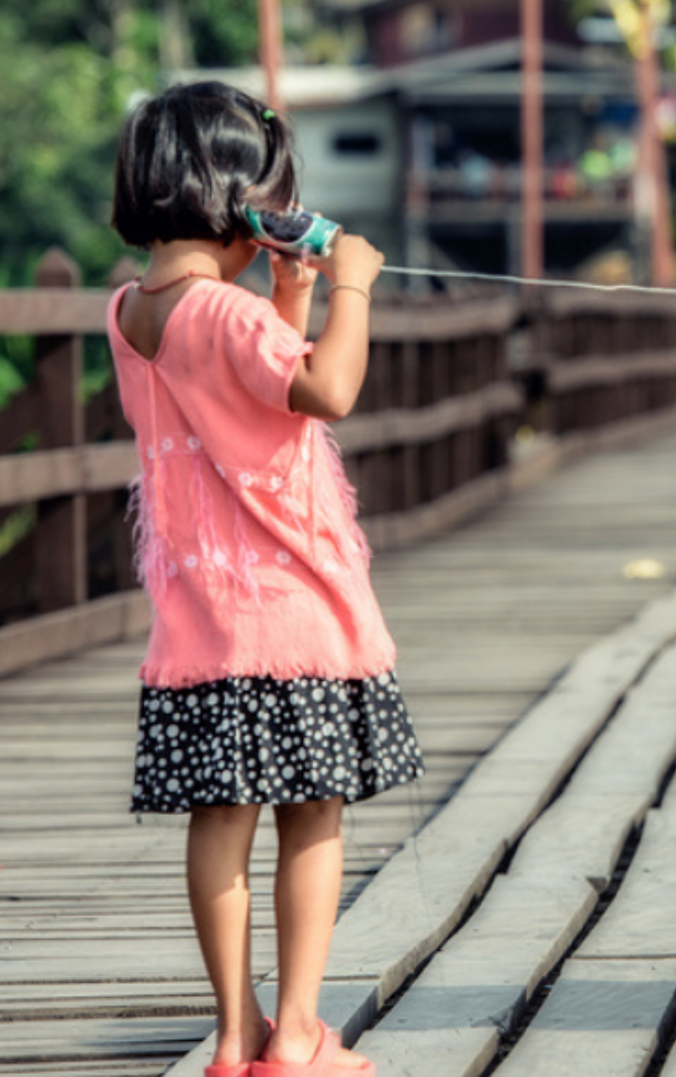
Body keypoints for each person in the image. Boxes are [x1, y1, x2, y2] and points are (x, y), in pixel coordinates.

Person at [108, 82, 423, 1077]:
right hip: (291, 613)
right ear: (242, 202)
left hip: (201, 625)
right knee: (312, 817)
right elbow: (322, 391)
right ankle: (296, 1035)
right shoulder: (224, 319)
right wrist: (353, 284)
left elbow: (246, 395)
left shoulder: (128, 315)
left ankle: (234, 1032)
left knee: (221, 821)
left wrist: (287, 292)